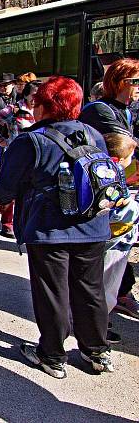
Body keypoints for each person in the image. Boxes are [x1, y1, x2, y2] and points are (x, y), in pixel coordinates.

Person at [0, 76, 113, 379]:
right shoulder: (93, 135)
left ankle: (52, 355)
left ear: (43, 106)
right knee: (91, 289)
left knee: (52, 292)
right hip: (93, 225)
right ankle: (96, 351)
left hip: (50, 229)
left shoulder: (31, 140)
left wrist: (4, 201)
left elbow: (6, 187)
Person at [79, 58, 139, 320]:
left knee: (120, 246)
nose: (138, 87)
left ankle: (114, 298)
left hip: (124, 187)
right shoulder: (100, 110)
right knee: (107, 250)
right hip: (105, 192)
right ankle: (93, 315)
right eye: (134, 81)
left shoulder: (126, 109)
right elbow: (128, 145)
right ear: (117, 82)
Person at [0, 81, 40, 238]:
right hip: (15, 156)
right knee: (11, 189)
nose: (37, 99)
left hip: (35, 158)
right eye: (34, 95)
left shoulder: (42, 110)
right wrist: (2, 141)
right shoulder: (15, 109)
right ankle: (7, 224)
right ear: (26, 95)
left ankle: (26, 222)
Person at [101, 132, 138, 343]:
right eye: (130, 157)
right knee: (107, 287)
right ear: (119, 160)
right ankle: (97, 327)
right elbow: (121, 212)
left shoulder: (102, 174)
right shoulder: (114, 180)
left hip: (102, 239)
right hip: (115, 240)